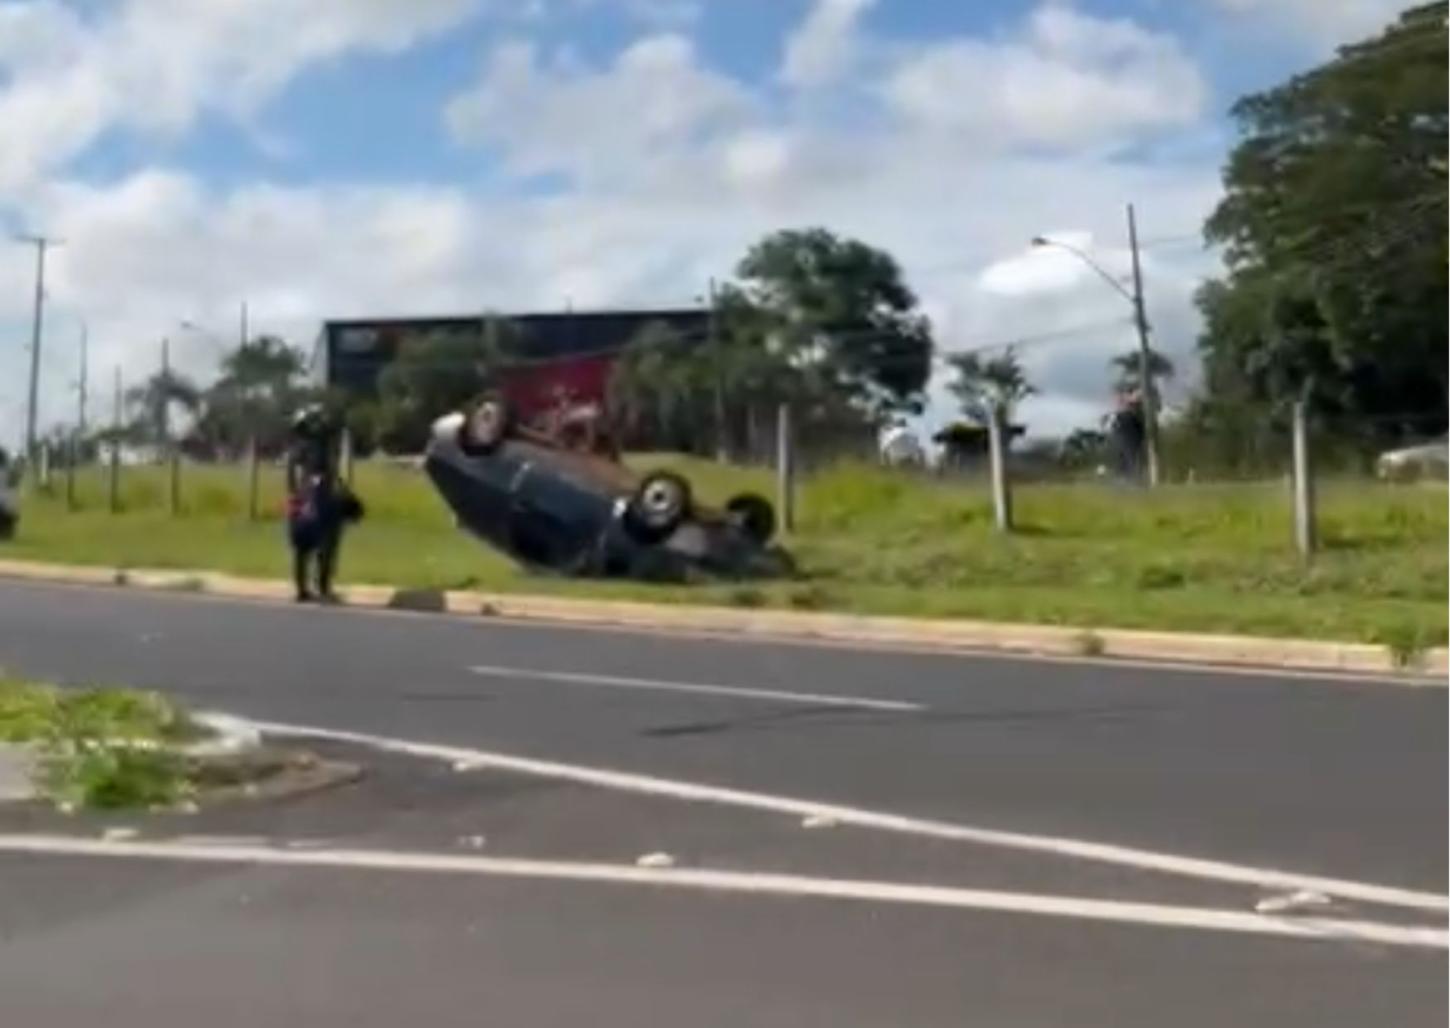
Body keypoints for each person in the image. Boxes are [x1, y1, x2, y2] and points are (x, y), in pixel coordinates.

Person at [285, 406, 362, 602]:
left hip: (297, 501)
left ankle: (301, 589)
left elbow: (291, 481)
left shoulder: (294, 451)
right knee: (326, 544)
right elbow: (321, 476)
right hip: (318, 500)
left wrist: (296, 499)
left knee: (301, 548)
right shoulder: (319, 449)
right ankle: (323, 588)